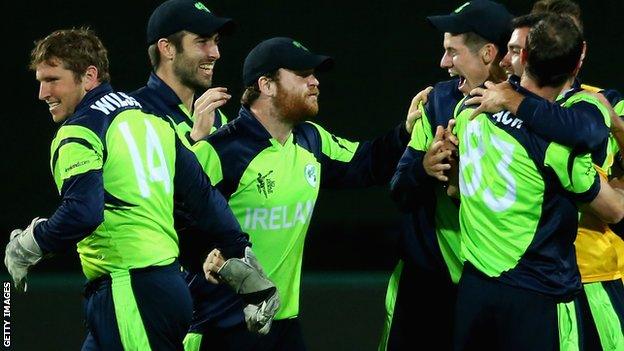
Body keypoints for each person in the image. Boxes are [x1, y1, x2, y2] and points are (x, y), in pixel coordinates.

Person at [4, 27, 277, 350]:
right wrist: (240, 253)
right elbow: (203, 197)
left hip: (130, 289)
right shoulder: (151, 121)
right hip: (165, 290)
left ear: (89, 76)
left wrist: (30, 243)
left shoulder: (80, 131)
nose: (43, 92)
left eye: (52, 79)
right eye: (40, 81)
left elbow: (83, 212)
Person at [187, 36, 412, 350]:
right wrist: (204, 254)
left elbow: (366, 163)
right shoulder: (221, 150)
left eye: (314, 74)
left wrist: (407, 132)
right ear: (266, 84)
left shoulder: (311, 140)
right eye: (303, 74)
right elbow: (174, 219)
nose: (315, 82)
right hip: (221, 329)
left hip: (283, 326)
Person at [451, 14, 624, 349]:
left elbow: (455, 189)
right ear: (579, 63)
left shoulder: (468, 110)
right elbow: (614, 210)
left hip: (474, 289)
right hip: (537, 294)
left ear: (524, 57)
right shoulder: (563, 145)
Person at [380, 1, 512, 349]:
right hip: (427, 285)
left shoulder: (531, 111)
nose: (443, 63)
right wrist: (424, 169)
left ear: (487, 53)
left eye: (452, 52)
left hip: (499, 283)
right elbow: (400, 188)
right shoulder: (437, 102)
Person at [129, 2, 252, 348]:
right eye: (202, 41)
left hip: (215, 308)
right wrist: (196, 143)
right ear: (167, 48)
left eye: (215, 41)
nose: (214, 52)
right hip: (158, 305)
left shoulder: (218, 120)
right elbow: (149, 207)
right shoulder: (133, 116)